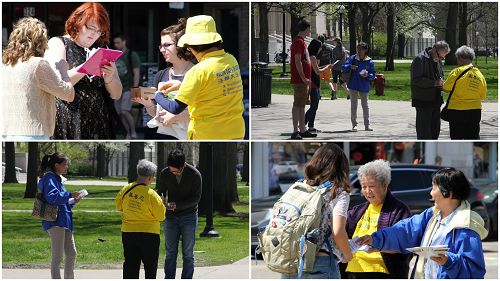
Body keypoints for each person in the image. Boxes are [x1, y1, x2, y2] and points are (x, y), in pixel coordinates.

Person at [358, 168, 488, 279]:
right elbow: (404, 231)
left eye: (433, 187)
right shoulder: (431, 215)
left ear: (447, 192)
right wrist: (375, 238)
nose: (430, 193)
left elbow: (474, 271)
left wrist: (448, 261)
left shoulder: (466, 225)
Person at [152, 15, 244, 140]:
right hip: (235, 131)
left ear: (191, 47)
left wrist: (158, 95)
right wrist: (182, 85)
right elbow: (215, 86)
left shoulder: (197, 71)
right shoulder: (231, 60)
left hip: (208, 134)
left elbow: (175, 108)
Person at [44, 2, 122, 139]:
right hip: (68, 117)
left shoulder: (102, 49)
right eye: (91, 28)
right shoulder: (59, 43)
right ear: (77, 23)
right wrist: (86, 67)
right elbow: (57, 83)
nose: (94, 34)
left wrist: (108, 77)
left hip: (99, 119)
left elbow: (116, 94)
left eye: (99, 31)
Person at [281, 143, 352, 278]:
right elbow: (337, 231)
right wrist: (347, 254)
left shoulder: (299, 187)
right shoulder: (337, 193)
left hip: (290, 260)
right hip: (320, 261)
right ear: (341, 167)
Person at [2, 17, 75, 140]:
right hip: (33, 132)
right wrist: (64, 71)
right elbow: (68, 95)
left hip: (6, 131)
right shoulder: (38, 64)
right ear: (40, 41)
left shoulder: (4, 64)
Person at [344, 160, 411, 279]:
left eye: (371, 186)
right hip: (353, 270)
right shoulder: (357, 211)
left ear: (384, 185)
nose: (367, 191)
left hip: (381, 272)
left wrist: (376, 245)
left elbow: (405, 245)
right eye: (364, 186)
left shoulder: (399, 210)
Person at [133, 18, 194, 140]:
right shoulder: (161, 75)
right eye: (161, 45)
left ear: (181, 45)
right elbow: (155, 112)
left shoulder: (197, 73)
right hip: (164, 136)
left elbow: (207, 112)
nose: (162, 49)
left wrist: (178, 116)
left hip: (190, 136)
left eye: (167, 45)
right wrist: (148, 105)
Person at [115, 159, 166, 279]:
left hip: (128, 233)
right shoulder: (152, 195)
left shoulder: (126, 189)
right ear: (150, 177)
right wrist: (162, 204)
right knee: (150, 267)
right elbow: (161, 216)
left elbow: (118, 207)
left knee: (130, 266)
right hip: (149, 235)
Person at [157, 149, 202, 279]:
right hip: (171, 217)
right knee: (171, 252)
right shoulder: (165, 173)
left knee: (188, 253)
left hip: (189, 216)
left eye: (176, 171)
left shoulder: (194, 175)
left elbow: (196, 199)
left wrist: (178, 205)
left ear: (183, 165)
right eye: (171, 170)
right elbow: (161, 191)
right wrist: (162, 198)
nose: (173, 173)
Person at [38, 152, 81, 279]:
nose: (67, 167)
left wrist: (73, 201)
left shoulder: (57, 178)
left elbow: (61, 202)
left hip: (64, 221)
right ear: (56, 165)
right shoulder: (49, 178)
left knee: (71, 253)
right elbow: (52, 198)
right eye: (65, 164)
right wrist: (69, 195)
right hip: (55, 222)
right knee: (57, 257)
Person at [442, 46, 487, 139]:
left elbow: (446, 88)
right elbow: (482, 95)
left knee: (456, 138)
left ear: (461, 58)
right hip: (475, 111)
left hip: (457, 111)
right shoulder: (480, 75)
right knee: (472, 138)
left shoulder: (457, 71)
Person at [410, 41, 450, 140]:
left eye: (442, 58)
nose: (440, 59)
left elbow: (440, 76)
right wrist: (434, 83)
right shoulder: (420, 59)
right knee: (424, 131)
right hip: (423, 101)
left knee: (435, 130)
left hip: (436, 101)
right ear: (433, 49)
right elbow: (416, 80)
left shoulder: (437, 60)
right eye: (439, 56)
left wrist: (442, 84)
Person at [287, 19, 316, 140]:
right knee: (298, 105)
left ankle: (302, 129)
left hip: (302, 80)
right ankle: (296, 131)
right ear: (305, 29)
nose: (310, 31)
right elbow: (297, 60)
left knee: (301, 105)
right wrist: (303, 77)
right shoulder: (299, 42)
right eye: (309, 28)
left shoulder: (300, 42)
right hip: (300, 80)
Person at [342, 42, 375, 131]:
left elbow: (373, 74)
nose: (359, 51)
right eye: (358, 49)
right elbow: (344, 67)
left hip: (364, 86)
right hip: (353, 85)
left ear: (365, 50)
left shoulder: (370, 61)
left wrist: (368, 75)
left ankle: (367, 125)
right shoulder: (353, 58)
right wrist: (350, 66)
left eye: (361, 49)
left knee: (365, 106)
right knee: (354, 105)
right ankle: (354, 125)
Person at [113, 33, 141, 139]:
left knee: (125, 110)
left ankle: (133, 131)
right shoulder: (113, 55)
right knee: (120, 113)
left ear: (124, 42)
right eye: (114, 43)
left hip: (128, 88)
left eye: (118, 42)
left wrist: (135, 88)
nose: (116, 45)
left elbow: (136, 73)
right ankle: (128, 132)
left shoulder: (131, 55)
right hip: (117, 88)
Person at [305, 39, 332, 133]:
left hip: (316, 81)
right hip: (313, 82)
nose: (320, 49)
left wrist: (326, 67)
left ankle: (311, 126)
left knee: (315, 106)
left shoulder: (312, 57)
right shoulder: (312, 57)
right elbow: (317, 71)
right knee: (314, 106)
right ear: (316, 47)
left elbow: (316, 68)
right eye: (320, 47)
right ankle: (303, 123)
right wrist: (327, 68)